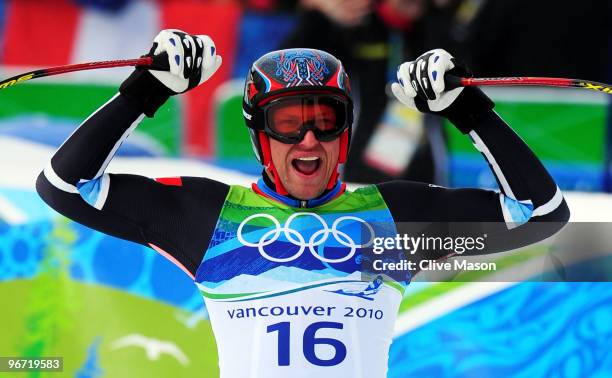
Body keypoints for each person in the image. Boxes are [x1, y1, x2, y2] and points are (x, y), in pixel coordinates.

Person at [36, 29, 569, 377]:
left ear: (347, 132)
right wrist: (146, 88)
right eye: (288, 124)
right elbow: (63, 186)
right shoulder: (210, 215)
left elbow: (543, 212)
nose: (309, 140)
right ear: (259, 138)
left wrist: (465, 106)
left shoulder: (393, 218)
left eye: (325, 120)